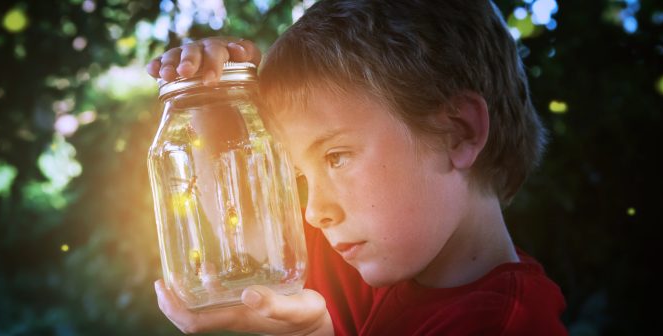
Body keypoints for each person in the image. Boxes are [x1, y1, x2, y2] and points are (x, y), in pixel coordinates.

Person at [146, 0, 567, 335]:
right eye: (301, 174)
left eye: (336, 157)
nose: (314, 211)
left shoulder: (500, 326)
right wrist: (214, 99)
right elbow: (244, 239)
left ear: (458, 132)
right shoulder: (374, 262)